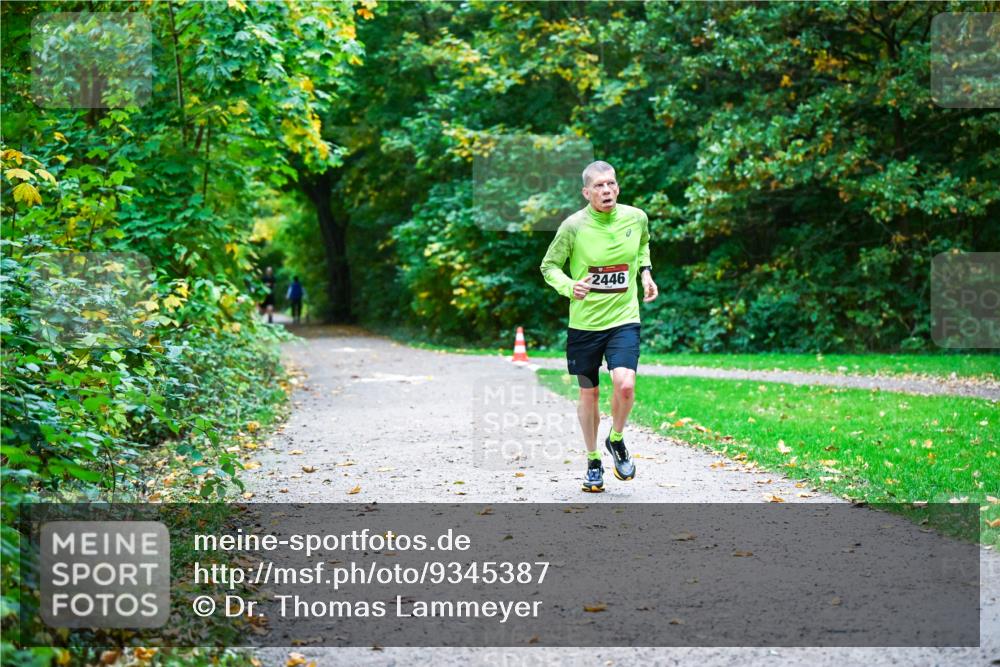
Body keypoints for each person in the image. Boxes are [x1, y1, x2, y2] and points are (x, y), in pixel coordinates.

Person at [540, 161, 658, 492]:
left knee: (625, 385)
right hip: (585, 326)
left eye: (611, 184)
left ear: (617, 187)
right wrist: (569, 286)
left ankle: (616, 439)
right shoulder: (573, 226)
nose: (607, 191)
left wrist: (645, 272)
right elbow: (549, 266)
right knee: (588, 392)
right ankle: (593, 460)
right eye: (599, 186)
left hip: (624, 319)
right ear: (586, 192)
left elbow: (644, 244)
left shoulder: (636, 218)